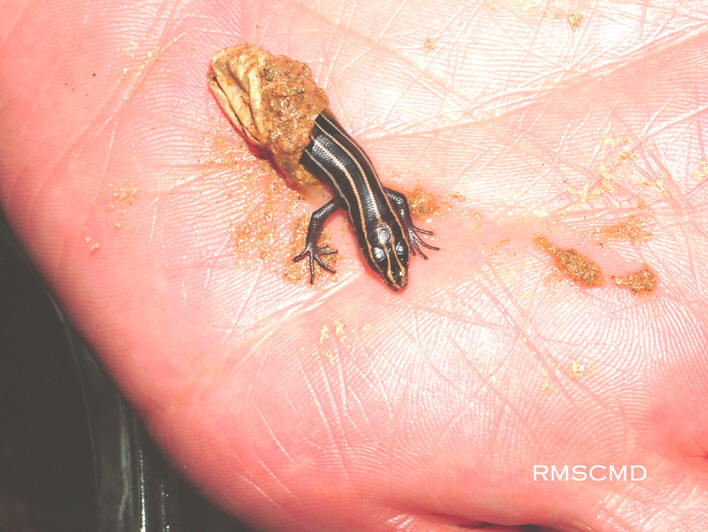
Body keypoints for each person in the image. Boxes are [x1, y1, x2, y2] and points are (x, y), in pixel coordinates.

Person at [1, 1, 706, 529]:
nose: (388, 266)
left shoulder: (363, 203)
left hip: (330, 148)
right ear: (371, 242)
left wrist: (396, 226)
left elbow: (373, 200)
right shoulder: (353, 202)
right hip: (319, 140)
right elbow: (345, 207)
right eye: (384, 257)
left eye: (387, 256)